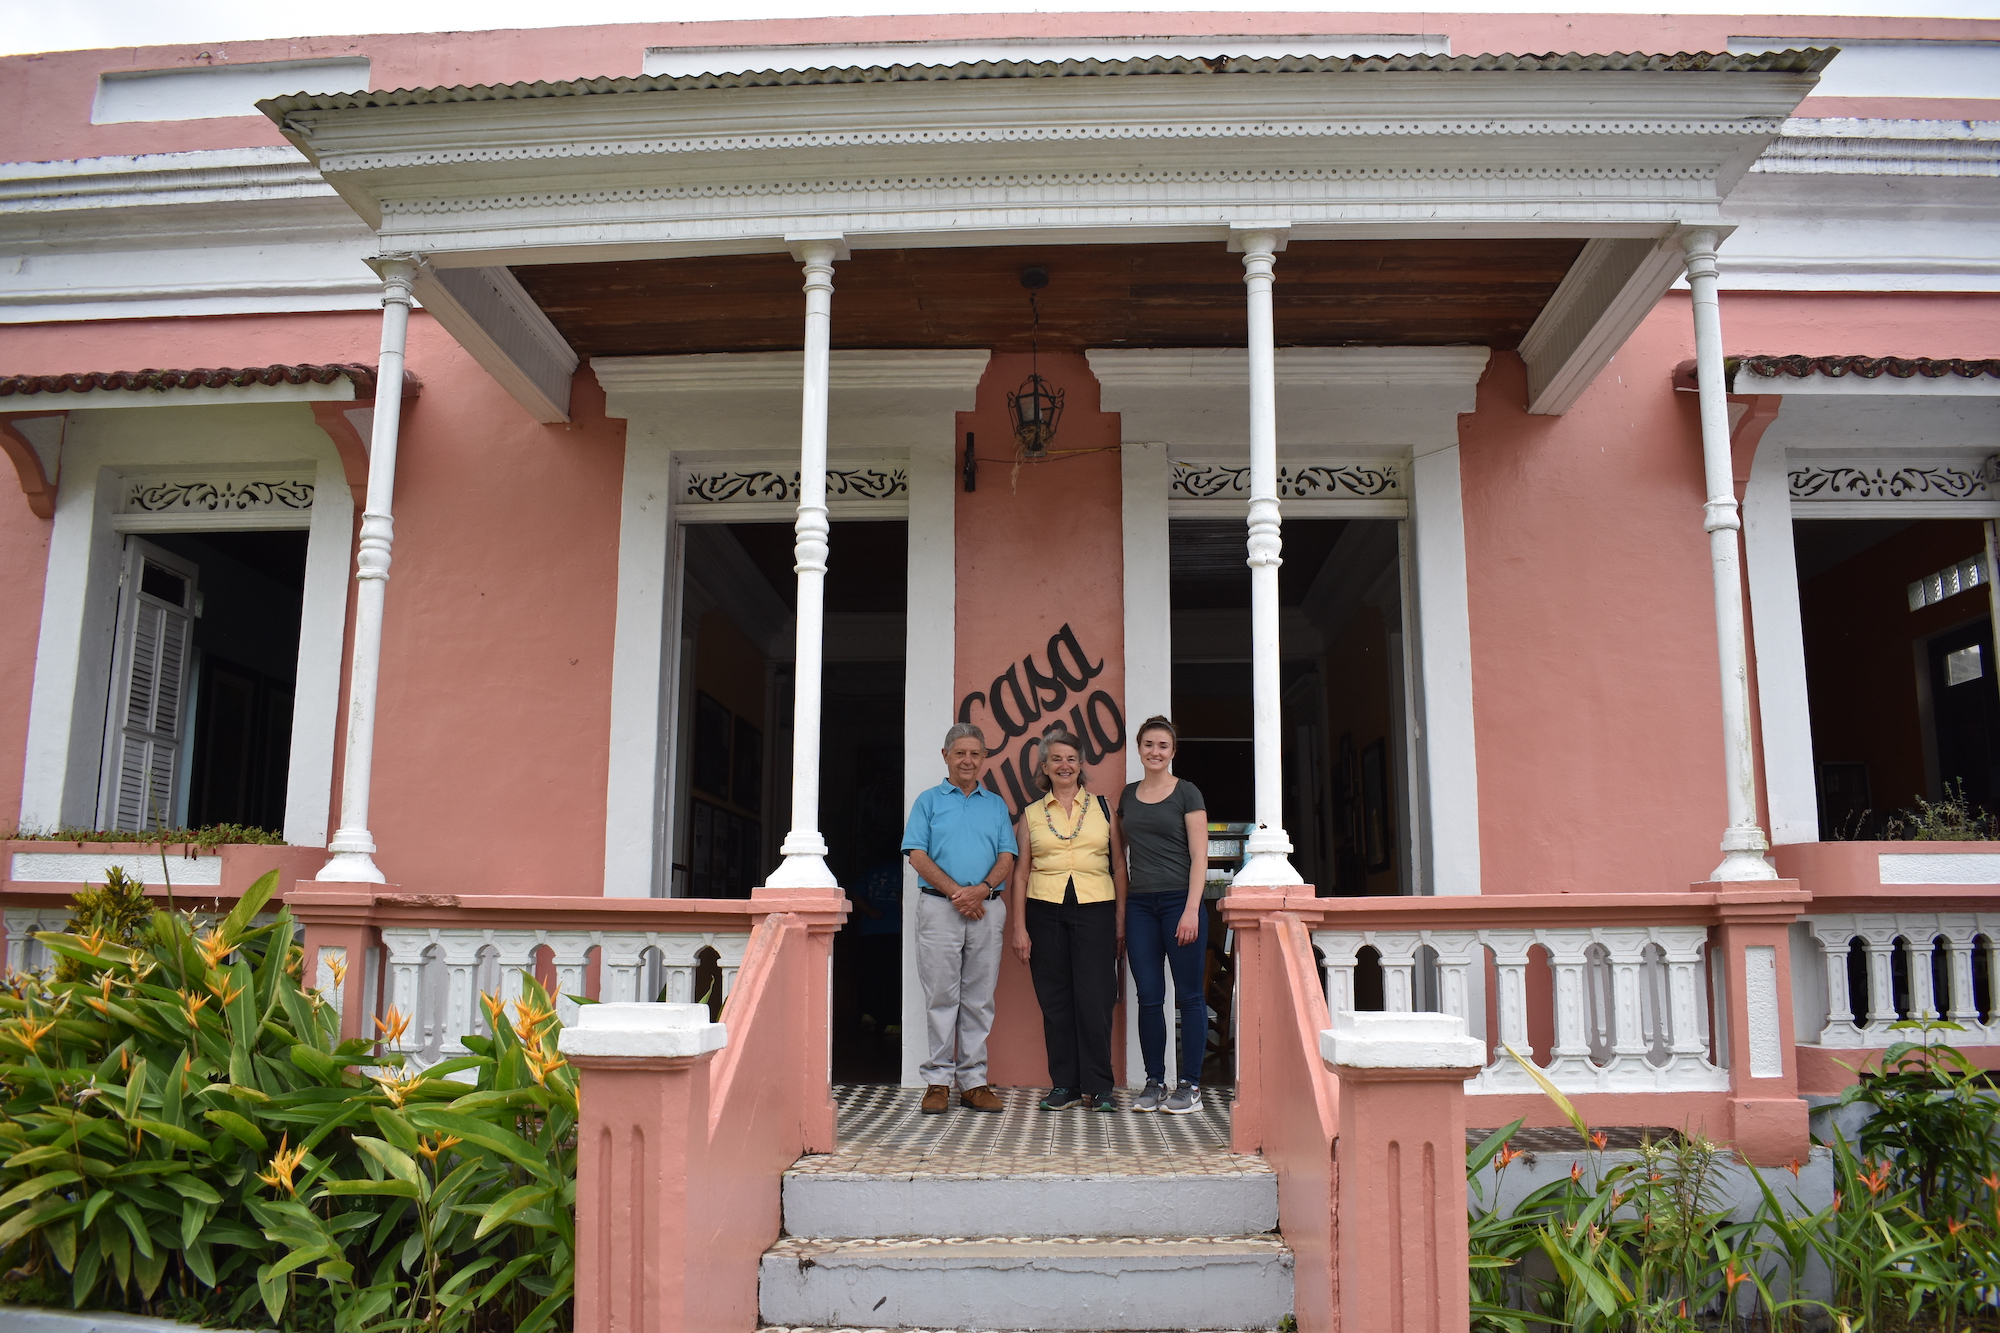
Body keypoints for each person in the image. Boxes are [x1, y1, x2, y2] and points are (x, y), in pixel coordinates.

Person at [1008, 723, 1127, 1112]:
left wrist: (1120, 920)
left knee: (1095, 999)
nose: (1064, 765)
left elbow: (1119, 868)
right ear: (1044, 766)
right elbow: (1022, 872)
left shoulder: (1103, 807)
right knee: (1055, 1001)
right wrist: (1020, 927)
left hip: (1095, 909)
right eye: (1056, 759)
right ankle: (1065, 1085)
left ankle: (1100, 1087)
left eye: (1071, 759)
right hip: (1045, 911)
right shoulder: (1030, 814)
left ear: (1081, 765)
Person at [902, 722, 1017, 1114]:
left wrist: (981, 890)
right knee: (941, 995)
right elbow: (916, 854)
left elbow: (1007, 857)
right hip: (939, 907)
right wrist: (958, 893)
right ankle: (938, 1081)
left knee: (979, 998)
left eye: (975, 753)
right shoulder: (928, 801)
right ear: (946, 756)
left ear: (984, 759)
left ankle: (974, 1082)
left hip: (987, 908)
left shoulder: (996, 804)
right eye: (960, 753)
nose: (968, 760)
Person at [1115, 716, 1210, 1114]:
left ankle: (1190, 1085)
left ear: (1173, 752)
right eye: (1149, 745)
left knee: (1188, 996)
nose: (1155, 752)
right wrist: (1122, 914)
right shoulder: (1127, 795)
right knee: (1149, 997)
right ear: (1139, 749)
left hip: (1179, 903)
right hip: (1140, 905)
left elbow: (1200, 856)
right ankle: (1154, 1081)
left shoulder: (1187, 793)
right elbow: (1120, 856)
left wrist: (1190, 910)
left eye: (1163, 746)